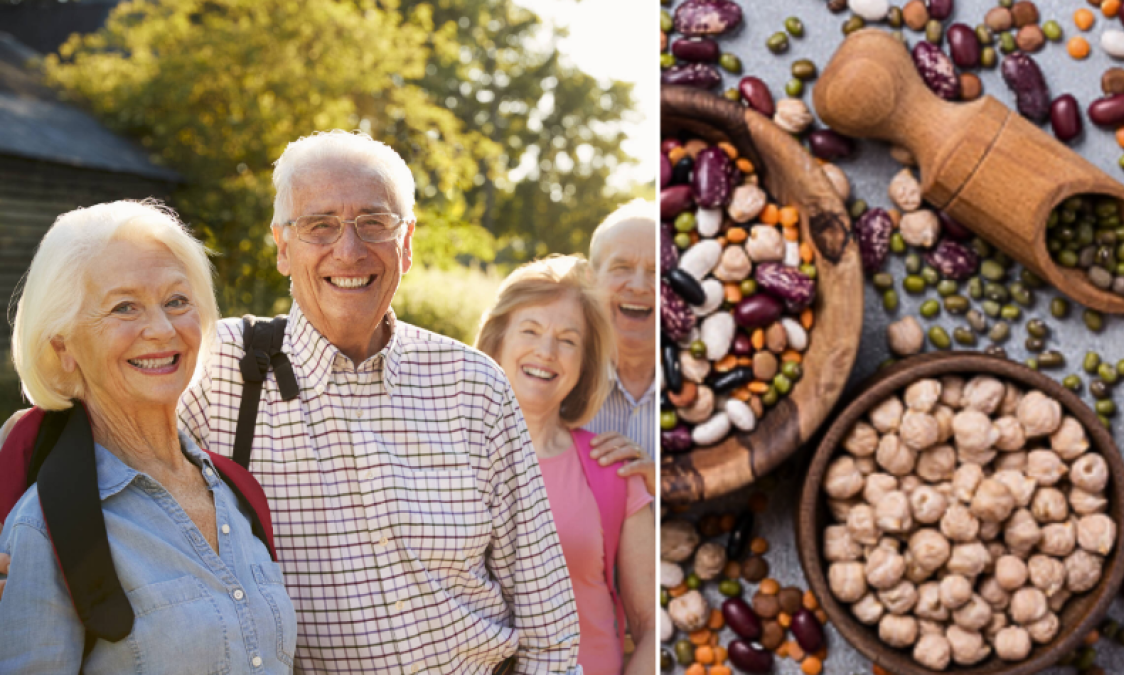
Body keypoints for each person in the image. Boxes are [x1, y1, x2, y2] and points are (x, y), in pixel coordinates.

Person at [172, 130, 581, 673]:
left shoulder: (473, 385)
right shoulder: (213, 368)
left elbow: (546, 616)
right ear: (283, 247)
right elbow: (88, 420)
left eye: (374, 223)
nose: (348, 249)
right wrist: (25, 552)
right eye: (320, 225)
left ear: (406, 243)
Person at [0, 201, 295, 673]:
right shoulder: (44, 526)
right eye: (124, 307)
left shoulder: (239, 496)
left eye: (177, 301)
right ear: (64, 347)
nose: (161, 330)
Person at [475, 256, 656, 675]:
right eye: (531, 331)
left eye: (568, 340)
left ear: (584, 363)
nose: (547, 351)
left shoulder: (613, 470)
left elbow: (651, 624)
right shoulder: (441, 457)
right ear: (498, 340)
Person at [584, 201, 657, 461]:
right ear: (591, 280)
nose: (638, 286)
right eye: (622, 267)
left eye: (656, 271)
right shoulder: (559, 382)